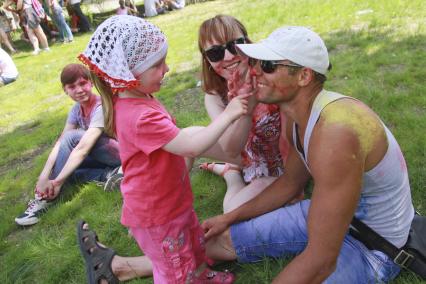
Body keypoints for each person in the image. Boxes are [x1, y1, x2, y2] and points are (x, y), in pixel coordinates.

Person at [200, 26, 415, 283]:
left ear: (303, 76)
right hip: (327, 214)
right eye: (256, 61)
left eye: (268, 65)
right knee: (215, 242)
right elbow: (290, 183)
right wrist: (228, 218)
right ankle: (143, 267)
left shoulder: (337, 134)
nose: (254, 71)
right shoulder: (297, 117)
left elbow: (321, 260)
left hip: (373, 245)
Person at [77, 15, 249, 283]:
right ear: (129, 73)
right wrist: (230, 114)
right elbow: (191, 147)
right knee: (174, 267)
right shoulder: (140, 116)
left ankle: (202, 275)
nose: (167, 69)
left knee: (193, 245)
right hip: (158, 214)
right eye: (157, 65)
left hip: (171, 201)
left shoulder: (140, 99)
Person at [195, 15, 291, 213]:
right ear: (207, 60)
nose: (229, 57)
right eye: (215, 53)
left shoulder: (271, 73)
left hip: (287, 160)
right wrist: (245, 109)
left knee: (232, 209)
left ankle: (230, 173)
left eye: (235, 45)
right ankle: (231, 173)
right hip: (249, 157)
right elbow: (231, 148)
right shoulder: (214, 95)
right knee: (186, 137)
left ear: (247, 43)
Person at [15, 63, 121, 226]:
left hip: (120, 153)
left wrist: (56, 181)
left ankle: (47, 198)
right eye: (72, 87)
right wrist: (44, 175)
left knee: (73, 141)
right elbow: (60, 142)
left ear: (91, 83)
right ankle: (109, 175)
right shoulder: (76, 109)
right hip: (103, 158)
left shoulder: (101, 106)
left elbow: (82, 147)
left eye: (82, 83)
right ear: (65, 90)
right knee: (69, 168)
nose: (79, 90)